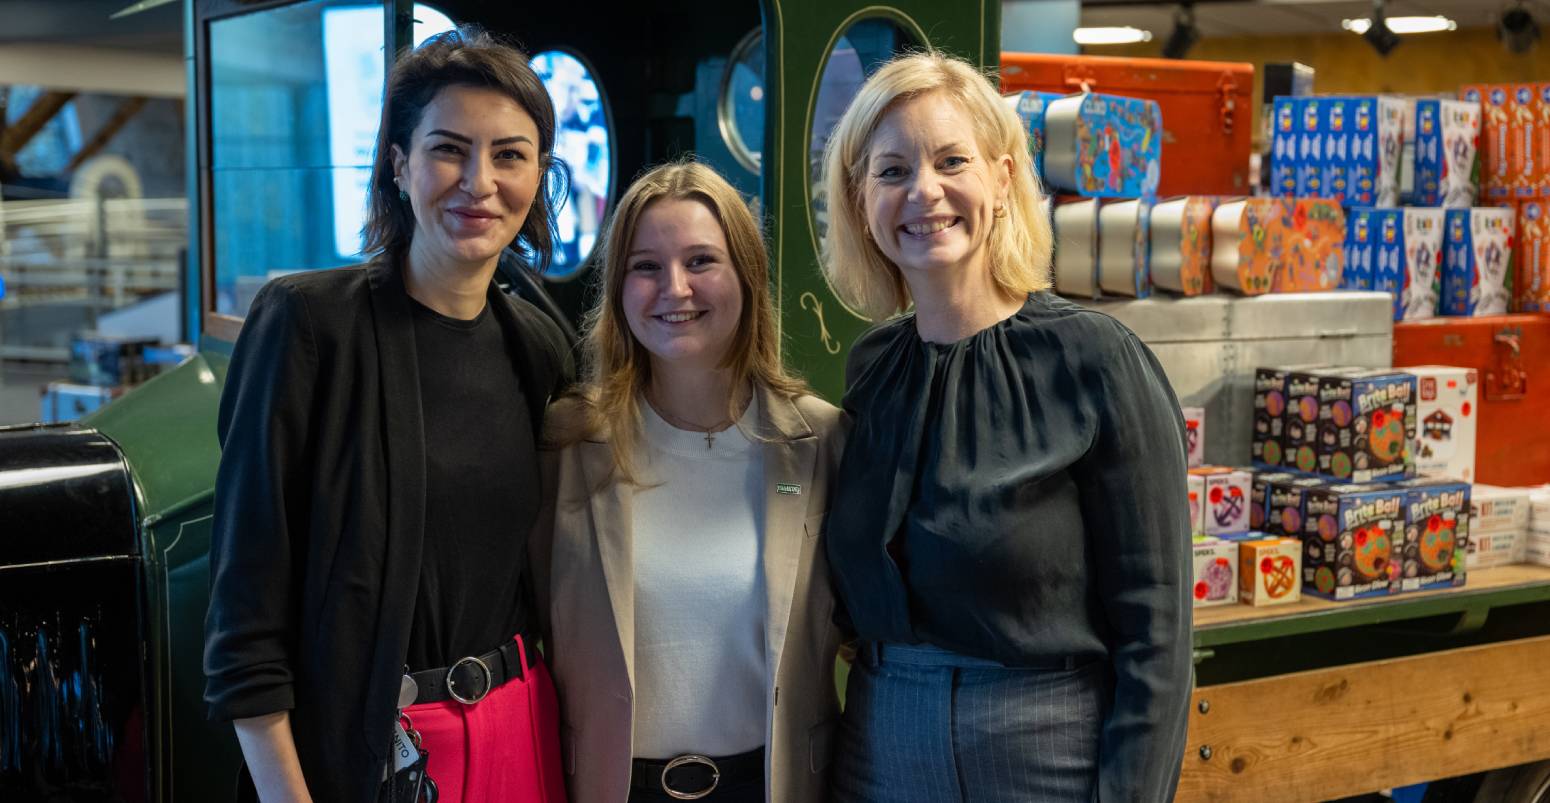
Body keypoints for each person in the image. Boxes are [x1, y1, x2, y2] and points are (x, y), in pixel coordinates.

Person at [204, 27, 571, 803]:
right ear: (399, 165)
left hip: (518, 733)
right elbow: (245, 617)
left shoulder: (540, 347)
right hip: (370, 752)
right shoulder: (305, 326)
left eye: (510, 154)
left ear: (539, 175)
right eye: (448, 149)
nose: (479, 181)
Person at [818, 51, 1192, 802]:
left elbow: (1158, 637)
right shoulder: (871, 369)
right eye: (892, 171)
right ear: (862, 202)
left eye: (951, 160)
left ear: (1003, 174)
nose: (924, 191)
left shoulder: (1096, 360)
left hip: (1043, 751)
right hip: (879, 742)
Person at [533, 161, 844, 803]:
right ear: (618, 289)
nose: (674, 288)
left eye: (701, 260)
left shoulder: (821, 444)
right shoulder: (564, 445)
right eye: (645, 267)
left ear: (747, 276)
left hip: (774, 785)